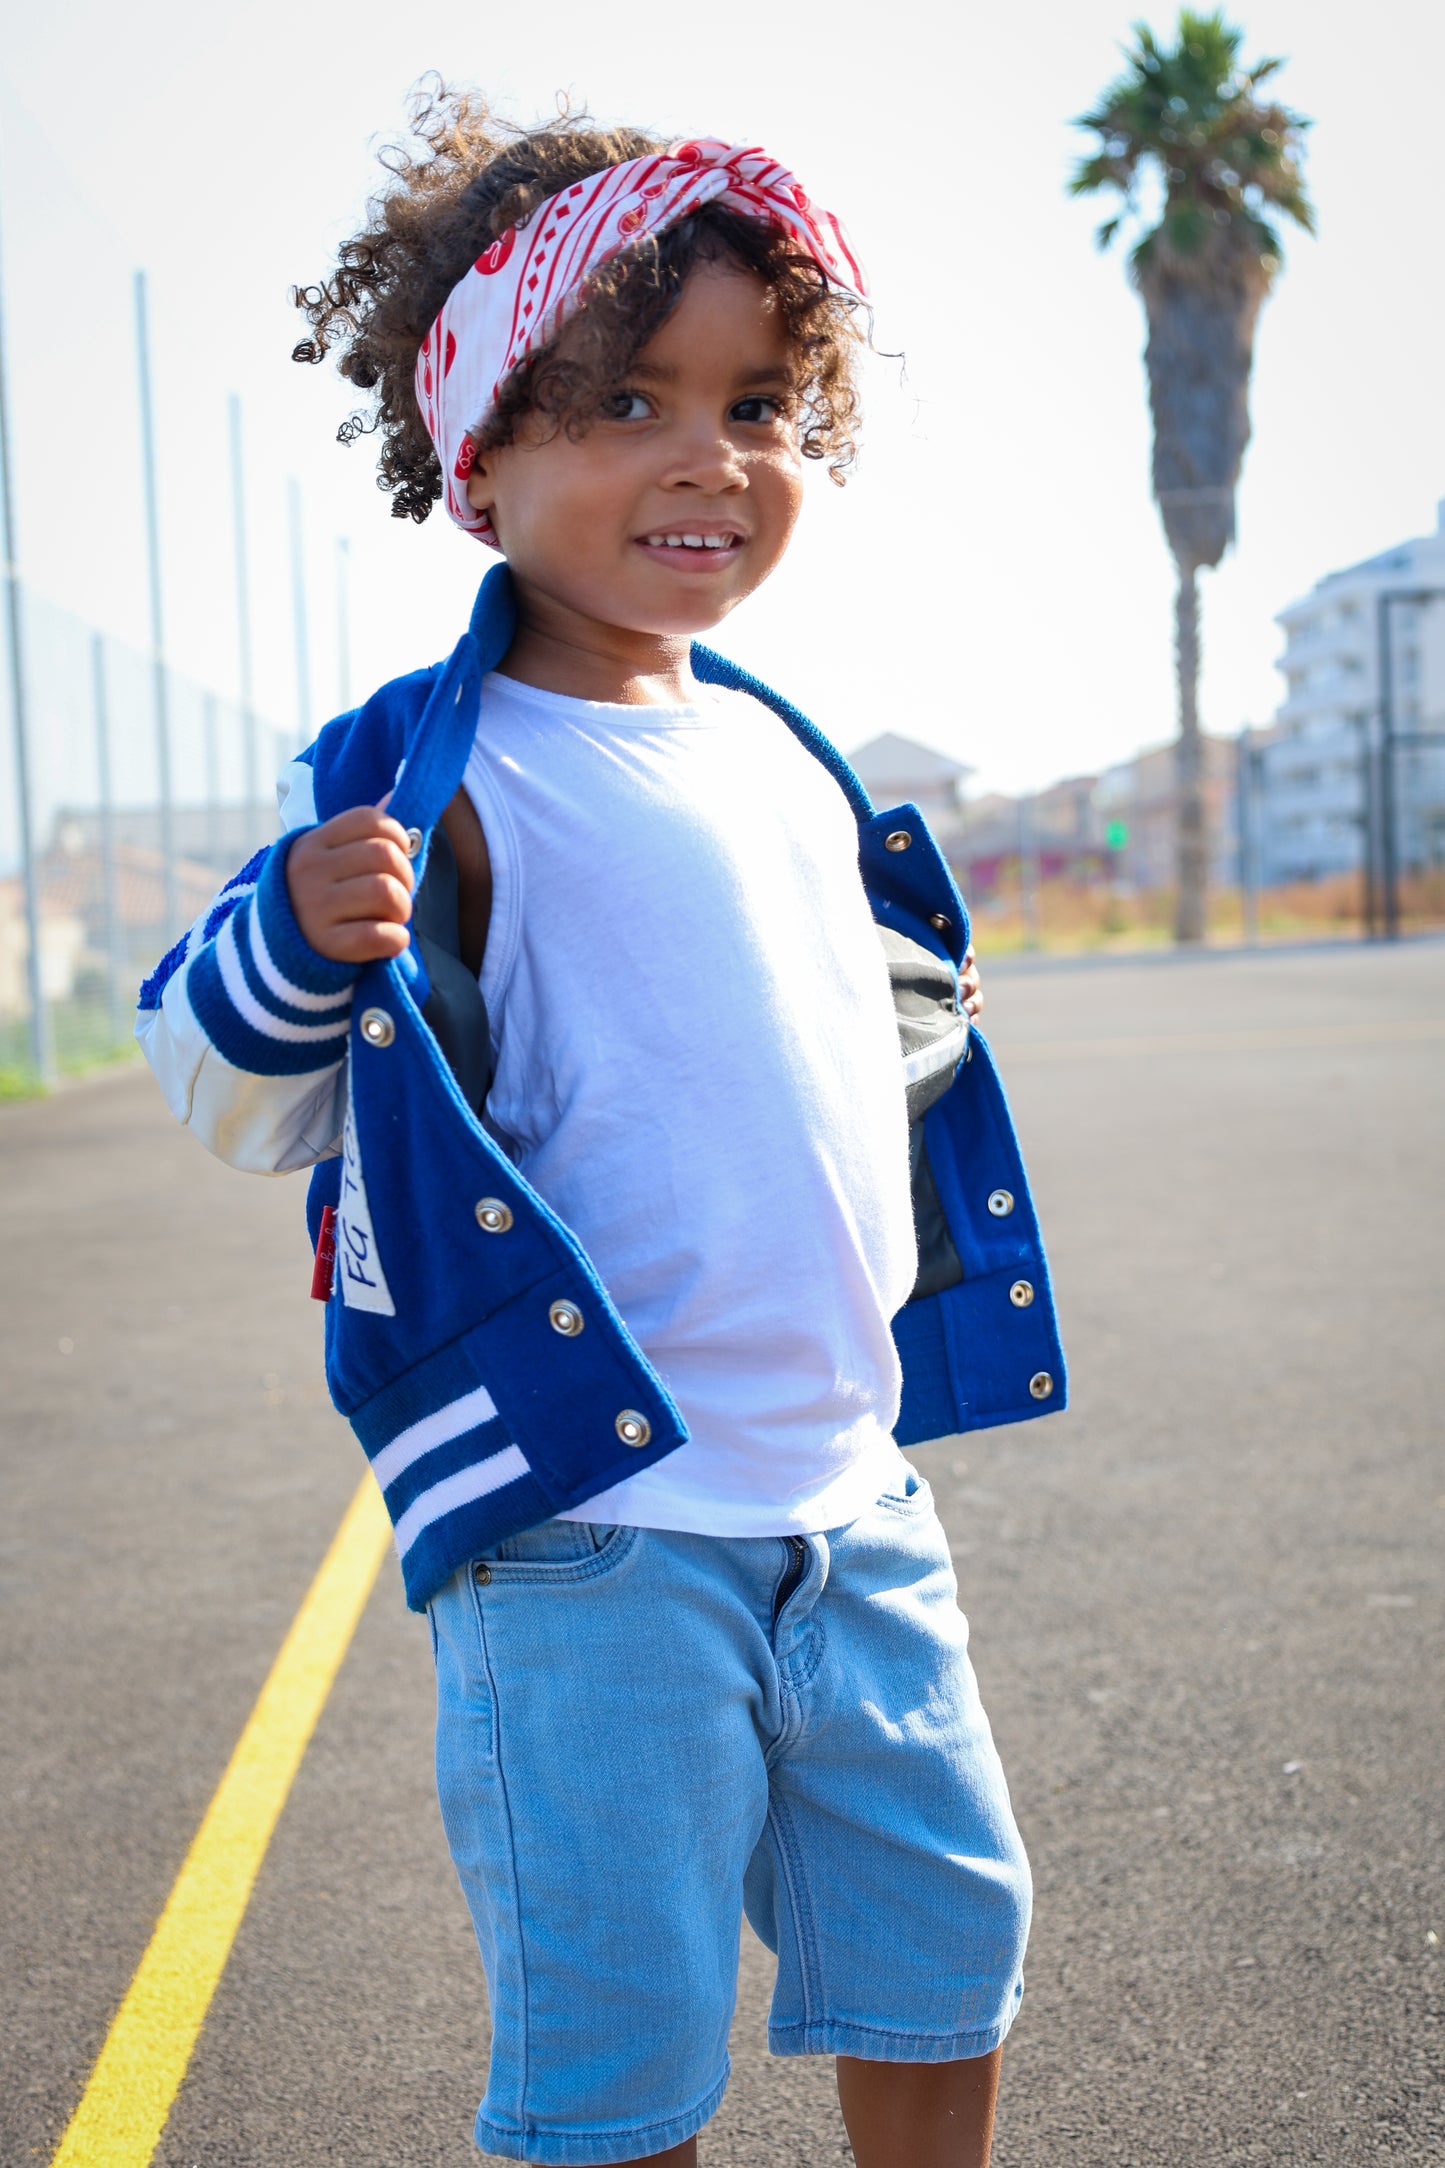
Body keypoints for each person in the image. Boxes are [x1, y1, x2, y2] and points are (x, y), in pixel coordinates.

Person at [137, 89, 1066, 2168]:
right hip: (597, 1527)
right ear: (479, 453)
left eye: (756, 404)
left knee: (947, 1956)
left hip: (851, 1500)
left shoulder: (787, 760)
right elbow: (227, 1089)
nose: (706, 456)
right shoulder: (430, 771)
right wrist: (294, 930)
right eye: (627, 400)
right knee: (621, 2047)